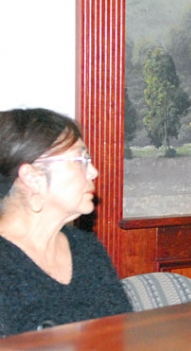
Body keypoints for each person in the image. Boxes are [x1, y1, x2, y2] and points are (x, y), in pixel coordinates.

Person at [0, 108, 131, 337]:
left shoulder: (86, 249)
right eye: (81, 160)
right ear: (32, 177)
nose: (93, 172)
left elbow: (121, 335)